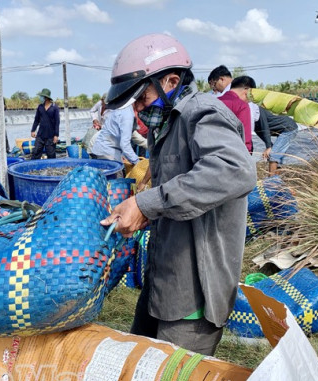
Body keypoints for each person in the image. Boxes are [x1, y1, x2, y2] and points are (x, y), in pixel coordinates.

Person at [100, 33, 256, 356]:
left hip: (193, 297)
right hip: (163, 279)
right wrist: (144, 211)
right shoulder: (166, 126)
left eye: (142, 99)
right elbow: (176, 194)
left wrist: (146, 205)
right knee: (136, 371)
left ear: (171, 81)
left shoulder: (201, 114)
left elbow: (235, 169)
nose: (139, 110)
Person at [90, 97, 139, 168]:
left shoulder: (122, 109)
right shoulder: (128, 115)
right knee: (117, 176)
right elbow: (125, 145)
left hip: (102, 146)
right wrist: (137, 162)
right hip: (106, 150)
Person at [255, 107, 299, 175]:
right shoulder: (248, 115)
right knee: (277, 157)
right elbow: (259, 131)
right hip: (282, 130)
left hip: (289, 127)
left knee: (273, 156)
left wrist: (268, 146)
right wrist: (270, 145)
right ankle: (276, 182)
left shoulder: (257, 109)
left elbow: (264, 127)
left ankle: (270, 183)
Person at [218, 76, 254, 153]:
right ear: (247, 91)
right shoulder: (241, 106)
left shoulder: (214, 101)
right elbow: (245, 137)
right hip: (232, 154)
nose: (250, 101)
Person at [30, 88, 60, 160]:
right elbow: (36, 120)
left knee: (51, 155)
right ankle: (33, 168)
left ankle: (52, 169)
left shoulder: (54, 108)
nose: (41, 98)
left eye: (42, 96)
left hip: (50, 136)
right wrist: (33, 130)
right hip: (40, 135)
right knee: (35, 152)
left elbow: (57, 122)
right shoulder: (40, 107)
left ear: (46, 97)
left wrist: (56, 135)